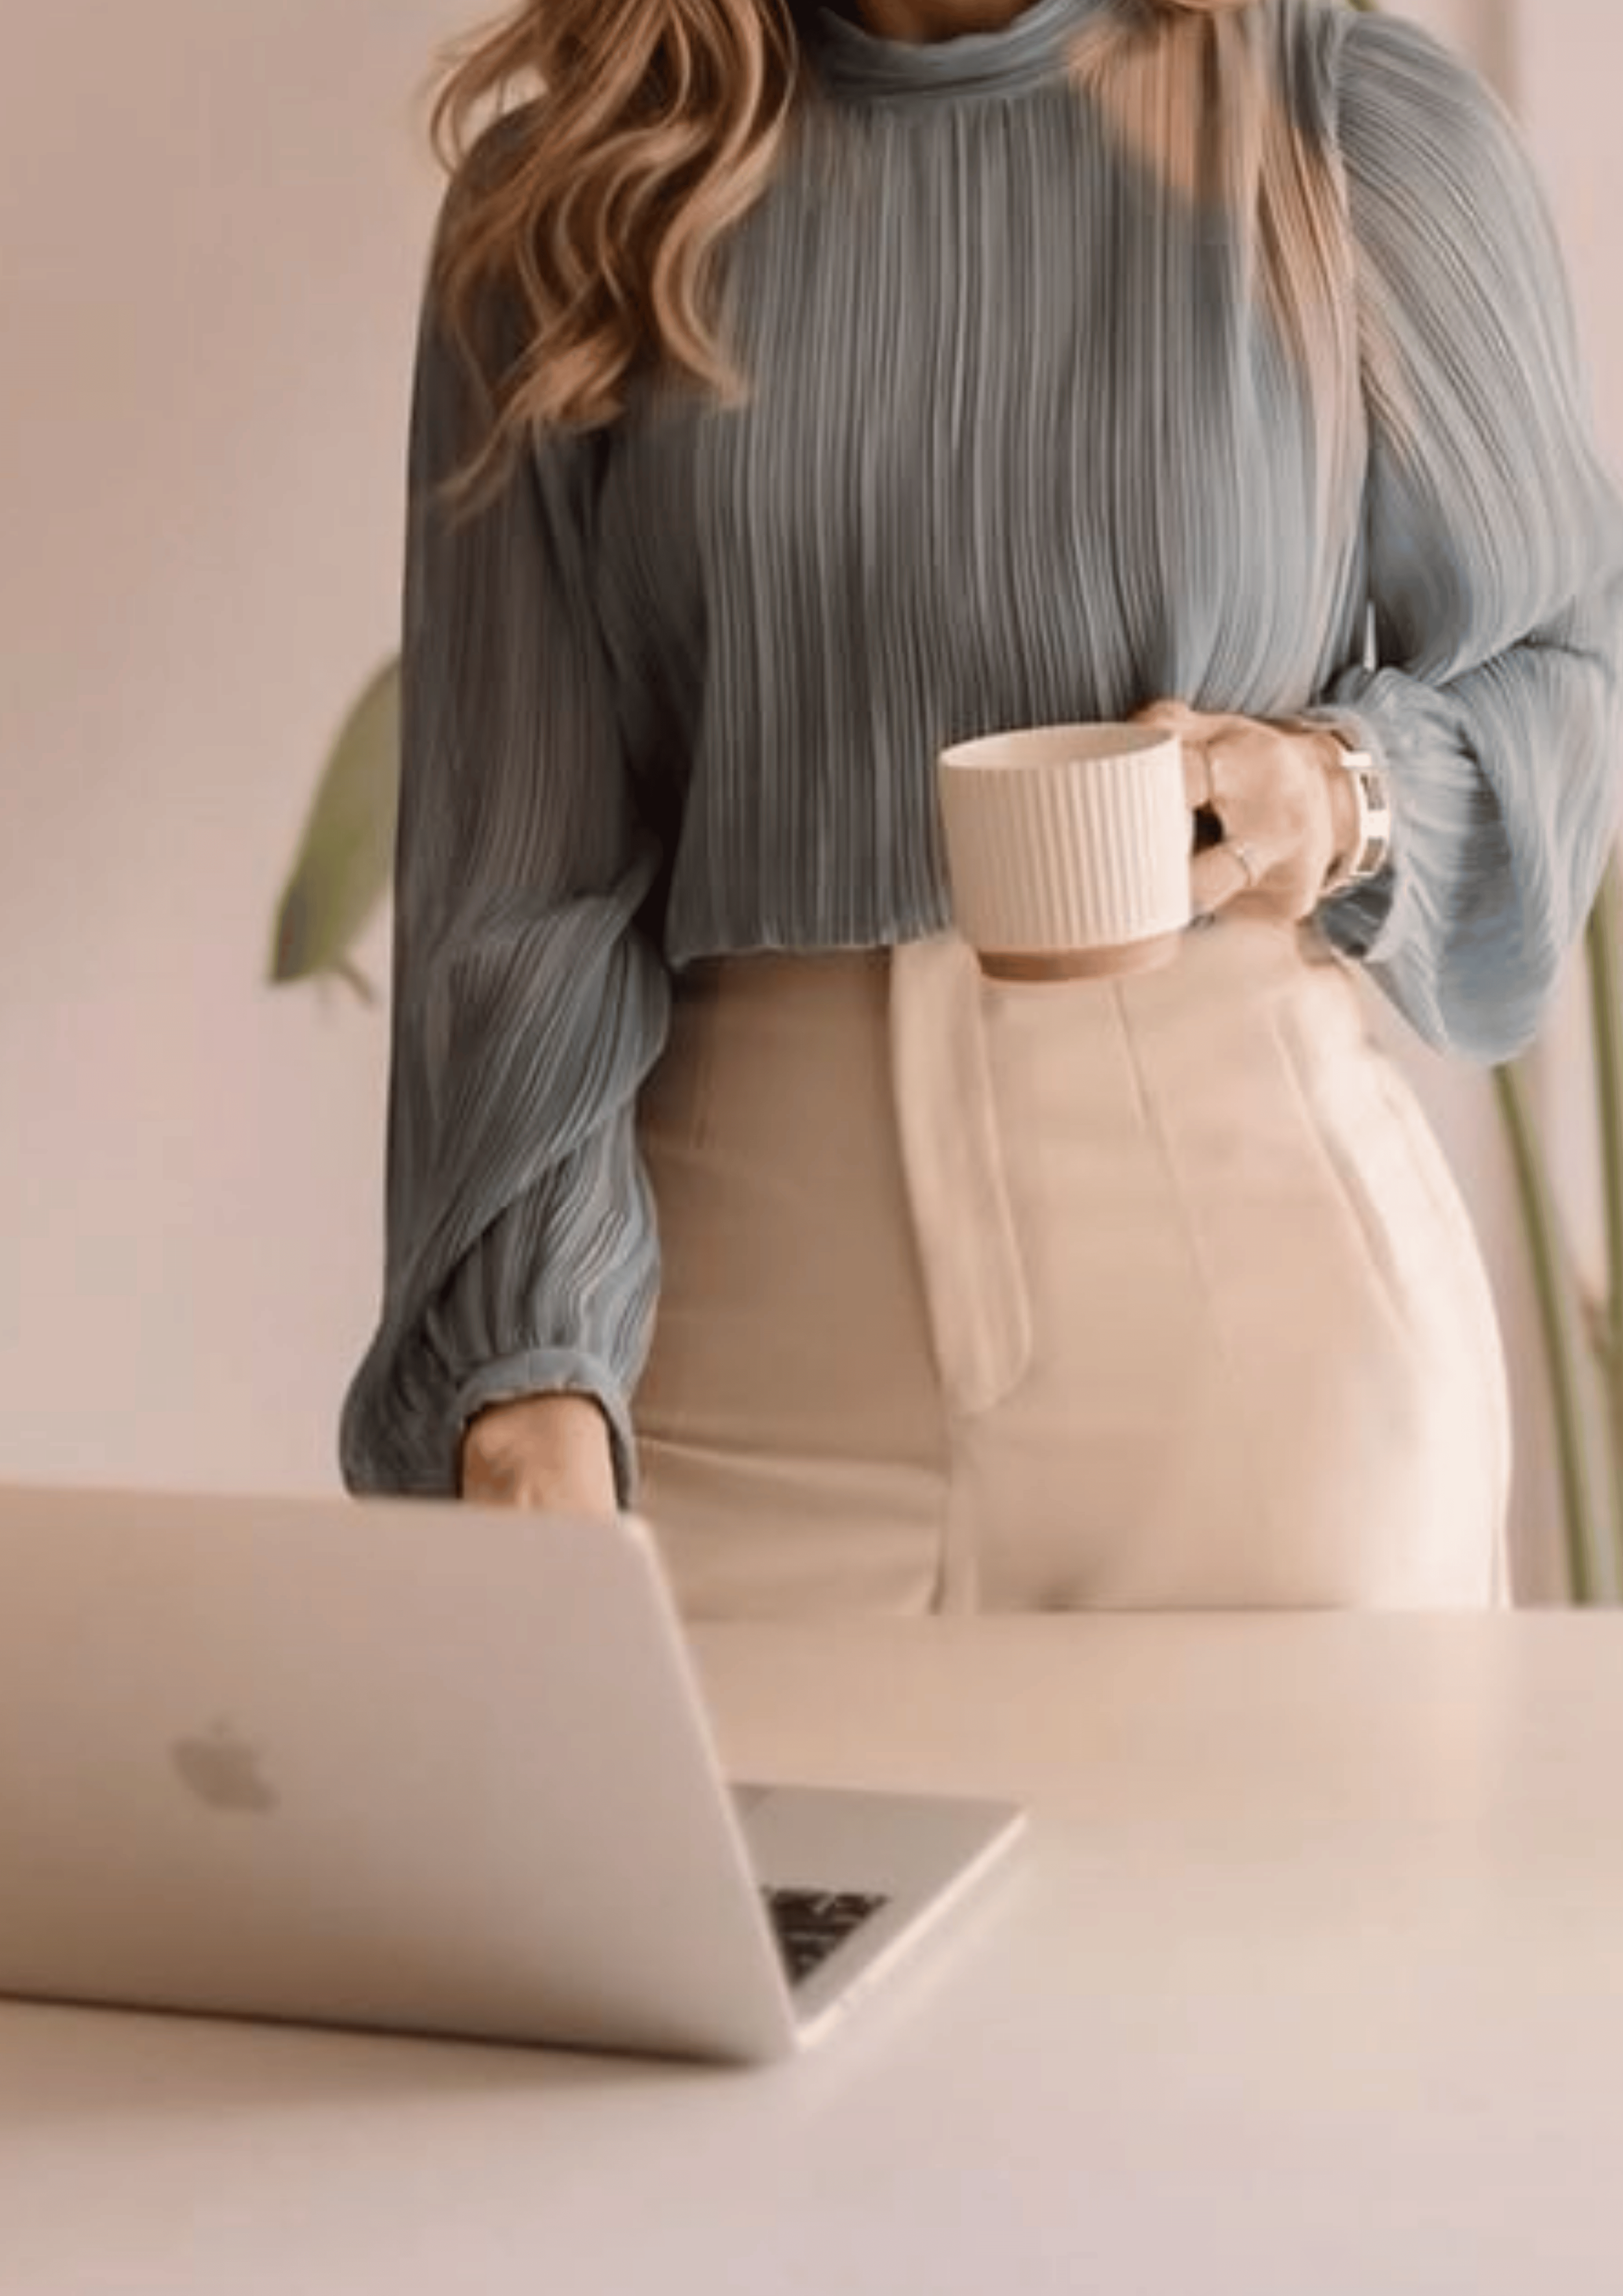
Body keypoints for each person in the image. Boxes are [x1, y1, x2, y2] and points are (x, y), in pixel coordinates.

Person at [340, 0, 1623, 1612]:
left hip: (1254, 1322)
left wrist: (1334, 791)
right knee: (676, 1858)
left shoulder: (1345, 124)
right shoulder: (582, 188)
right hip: (723, 1343)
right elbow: (515, 883)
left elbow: (1558, 672)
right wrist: (526, 1391)